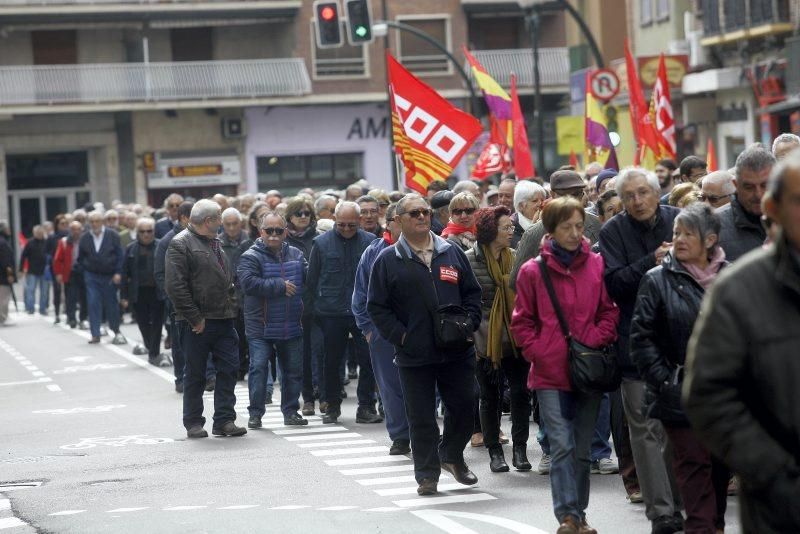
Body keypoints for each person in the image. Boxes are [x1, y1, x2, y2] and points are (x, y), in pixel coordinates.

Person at [684, 151, 800, 534]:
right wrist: (770, 468)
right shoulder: (738, 290)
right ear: (774, 208)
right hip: (780, 504)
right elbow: (708, 393)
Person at [511, 197, 619, 534]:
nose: (575, 233)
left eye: (578, 226)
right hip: (549, 373)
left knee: (582, 451)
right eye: (566, 227)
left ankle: (580, 514)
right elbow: (521, 322)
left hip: (588, 368)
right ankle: (568, 517)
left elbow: (609, 311)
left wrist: (596, 338)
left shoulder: (597, 265)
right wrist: (539, 351)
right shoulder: (533, 271)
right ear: (551, 230)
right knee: (561, 446)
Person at [367, 193, 482, 496]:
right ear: (399, 220)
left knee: (464, 406)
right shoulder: (387, 260)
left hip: (457, 349)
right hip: (414, 354)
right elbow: (376, 307)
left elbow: (472, 293)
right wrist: (402, 336)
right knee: (421, 417)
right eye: (414, 213)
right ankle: (427, 475)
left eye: (426, 212)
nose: (421, 217)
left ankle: (452, 456)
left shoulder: (451, 252)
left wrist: (468, 323)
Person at [631, 203, 729, 533]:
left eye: (689, 233)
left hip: (726, 393)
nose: (680, 239)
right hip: (679, 390)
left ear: (710, 239)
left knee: (718, 467)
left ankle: (713, 524)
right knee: (692, 463)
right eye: (676, 233)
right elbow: (642, 338)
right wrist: (666, 380)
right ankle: (701, 527)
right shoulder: (657, 280)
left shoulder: (731, 277)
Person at [598, 167, 683, 534]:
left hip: (681, 342)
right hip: (635, 343)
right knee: (645, 431)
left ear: (656, 191)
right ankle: (661, 512)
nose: (637, 201)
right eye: (629, 195)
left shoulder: (680, 219)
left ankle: (680, 501)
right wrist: (652, 261)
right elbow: (614, 284)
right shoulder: (612, 231)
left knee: (678, 428)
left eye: (643, 192)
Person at [165, 199, 245, 439]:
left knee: (229, 369)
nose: (222, 221)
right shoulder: (180, 243)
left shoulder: (214, 242)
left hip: (223, 317)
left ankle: (224, 420)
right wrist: (194, 318)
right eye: (219, 217)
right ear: (209, 221)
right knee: (196, 373)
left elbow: (226, 278)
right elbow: (175, 286)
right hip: (197, 322)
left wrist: (232, 305)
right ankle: (193, 422)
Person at [466, 206, 531, 473]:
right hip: (485, 339)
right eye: (506, 227)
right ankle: (495, 452)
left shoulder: (516, 257)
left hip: (515, 336)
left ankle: (520, 450)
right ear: (491, 230)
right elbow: (465, 300)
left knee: (520, 394)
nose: (511, 231)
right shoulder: (468, 260)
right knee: (489, 396)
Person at [306, 201, 380, 425]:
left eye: (351, 225)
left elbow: (376, 278)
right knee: (331, 361)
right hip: (331, 312)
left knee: (368, 360)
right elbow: (311, 280)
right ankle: (331, 405)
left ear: (358, 222)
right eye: (341, 225)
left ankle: (366, 407)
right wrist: (313, 313)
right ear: (335, 221)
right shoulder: (321, 243)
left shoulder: (370, 242)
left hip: (362, 312)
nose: (347, 229)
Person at [238, 212, 308, 428]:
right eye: (269, 230)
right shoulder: (250, 256)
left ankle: (290, 412)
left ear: (286, 232)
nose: (274, 235)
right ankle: (255, 414)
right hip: (261, 324)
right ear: (261, 232)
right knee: (258, 368)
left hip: (291, 323)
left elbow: (310, 278)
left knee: (293, 370)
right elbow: (247, 283)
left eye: (279, 230)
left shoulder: (296, 254)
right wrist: (279, 286)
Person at [352, 203, 411, 455]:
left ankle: (424, 430)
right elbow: (360, 295)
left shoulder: (432, 248)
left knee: (424, 383)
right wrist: (369, 329)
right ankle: (400, 435)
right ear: (391, 223)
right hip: (382, 332)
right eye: (404, 218)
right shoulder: (373, 252)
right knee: (390, 385)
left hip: (419, 330)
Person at [511, 169, 602, 291]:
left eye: (576, 194)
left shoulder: (597, 225)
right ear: (552, 195)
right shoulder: (534, 233)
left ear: (582, 195)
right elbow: (517, 282)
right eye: (564, 195)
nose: (570, 200)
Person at [155, 200, 193, 393]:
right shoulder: (168, 240)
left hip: (198, 299)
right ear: (184, 218)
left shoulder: (199, 237)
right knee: (179, 342)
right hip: (176, 301)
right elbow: (160, 274)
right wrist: (170, 296)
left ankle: (201, 376)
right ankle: (180, 378)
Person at [717, 143, 775, 262]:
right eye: (749, 187)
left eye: (765, 185)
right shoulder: (714, 227)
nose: (758, 194)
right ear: (735, 185)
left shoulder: (794, 219)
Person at [120, 217, 165, 366]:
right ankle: (149, 345)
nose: (146, 234)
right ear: (138, 232)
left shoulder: (161, 246)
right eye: (142, 231)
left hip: (157, 292)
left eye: (149, 231)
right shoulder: (131, 248)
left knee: (158, 323)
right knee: (143, 323)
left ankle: (154, 353)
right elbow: (125, 274)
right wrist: (124, 296)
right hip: (138, 292)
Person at [78, 211, 126, 345]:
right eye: (92, 221)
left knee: (111, 304)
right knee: (93, 303)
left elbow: (120, 255)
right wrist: (86, 270)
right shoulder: (85, 238)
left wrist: (118, 272)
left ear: (102, 222)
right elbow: (80, 258)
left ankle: (116, 330)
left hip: (109, 275)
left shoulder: (113, 235)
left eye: (97, 221)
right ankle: (95, 334)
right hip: (92, 276)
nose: (94, 224)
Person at [220, 207, 250, 380]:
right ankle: (238, 366)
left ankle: (247, 365)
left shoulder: (250, 241)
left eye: (235, 224)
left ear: (241, 223)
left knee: (249, 334)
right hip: (229, 296)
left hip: (248, 294)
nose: (231, 228)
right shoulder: (217, 243)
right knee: (233, 335)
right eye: (228, 224)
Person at [53, 221, 87, 329]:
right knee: (71, 297)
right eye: (73, 229)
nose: (76, 232)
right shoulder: (64, 242)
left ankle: (83, 318)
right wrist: (58, 273)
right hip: (70, 272)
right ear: (70, 230)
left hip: (83, 272)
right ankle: (71, 318)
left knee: (84, 297)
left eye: (78, 229)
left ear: (82, 230)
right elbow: (57, 259)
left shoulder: (86, 241)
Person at [20, 225, 50, 315]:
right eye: (38, 233)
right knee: (31, 290)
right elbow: (23, 256)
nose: (40, 234)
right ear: (34, 233)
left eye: (41, 233)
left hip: (44, 270)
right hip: (32, 270)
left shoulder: (47, 242)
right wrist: (21, 268)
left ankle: (43, 308)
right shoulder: (30, 243)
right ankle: (30, 308)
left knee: (44, 291)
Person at [47, 214, 69, 324]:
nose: (64, 226)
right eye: (62, 224)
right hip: (56, 267)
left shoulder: (69, 236)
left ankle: (70, 313)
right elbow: (48, 252)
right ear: (57, 225)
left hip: (68, 267)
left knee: (69, 291)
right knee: (57, 291)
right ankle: (57, 314)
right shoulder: (52, 237)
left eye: (66, 224)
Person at [511, 180, 546, 248]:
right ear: (521, 206)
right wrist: (534, 226)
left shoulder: (548, 221)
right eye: (535, 201)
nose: (540, 204)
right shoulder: (512, 228)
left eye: (542, 200)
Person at [0, 221, 15, 325]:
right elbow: (6, 260)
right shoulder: (3, 243)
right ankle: (2, 317)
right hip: (3, 275)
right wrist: (9, 274)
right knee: (3, 297)